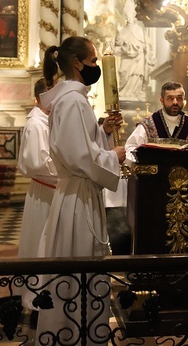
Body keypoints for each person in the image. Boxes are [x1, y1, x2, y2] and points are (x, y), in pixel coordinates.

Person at [35, 36, 125, 344]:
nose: (96, 66)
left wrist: (104, 132)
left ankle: (77, 333)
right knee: (78, 271)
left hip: (78, 194)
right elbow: (78, 156)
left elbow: (80, 145)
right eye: (94, 60)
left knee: (77, 269)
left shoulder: (73, 100)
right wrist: (115, 155)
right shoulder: (73, 101)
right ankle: (73, 334)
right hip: (77, 199)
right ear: (78, 63)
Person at [16, 78, 57, 313]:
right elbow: (36, 163)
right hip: (45, 191)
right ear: (41, 98)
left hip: (51, 189)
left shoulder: (48, 120)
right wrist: (68, 170)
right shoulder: (36, 124)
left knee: (49, 243)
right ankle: (36, 297)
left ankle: (48, 293)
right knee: (40, 242)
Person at [125, 81, 188, 161]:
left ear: (183, 100)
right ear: (162, 101)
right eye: (170, 98)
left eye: (179, 98)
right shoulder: (147, 125)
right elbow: (131, 149)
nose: (175, 102)